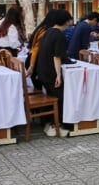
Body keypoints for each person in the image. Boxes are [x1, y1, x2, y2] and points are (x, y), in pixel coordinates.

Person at [34, 9, 73, 137]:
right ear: (66, 22)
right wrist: (58, 75)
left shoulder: (48, 31)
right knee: (62, 99)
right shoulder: (59, 35)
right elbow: (57, 57)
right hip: (50, 72)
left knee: (53, 96)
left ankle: (51, 123)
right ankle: (61, 125)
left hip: (42, 70)